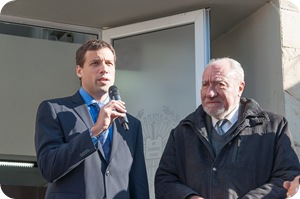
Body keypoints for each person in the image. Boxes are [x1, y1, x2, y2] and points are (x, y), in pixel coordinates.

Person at [154, 57, 300, 199]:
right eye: (205, 85)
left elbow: (288, 177)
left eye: (220, 84)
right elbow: (164, 181)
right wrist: (189, 197)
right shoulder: (183, 132)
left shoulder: (273, 127)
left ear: (240, 88)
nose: (210, 93)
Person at [35, 39, 149, 199]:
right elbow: (49, 168)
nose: (104, 69)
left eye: (109, 63)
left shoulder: (131, 124)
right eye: (95, 63)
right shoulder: (54, 110)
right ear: (79, 71)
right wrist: (95, 131)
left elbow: (139, 184)